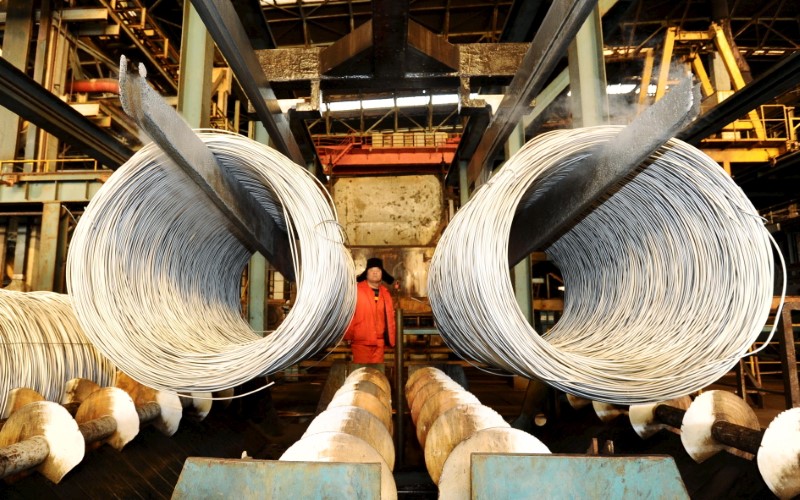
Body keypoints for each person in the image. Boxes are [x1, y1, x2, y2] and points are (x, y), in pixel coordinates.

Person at [344, 257, 397, 364]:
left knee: (376, 376)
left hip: (379, 344)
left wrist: (391, 340)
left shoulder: (386, 294)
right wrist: (348, 336)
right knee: (362, 375)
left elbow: (390, 319)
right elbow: (348, 315)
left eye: (378, 270)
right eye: (371, 270)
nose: (375, 273)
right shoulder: (356, 291)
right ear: (366, 274)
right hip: (361, 343)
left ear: (382, 274)